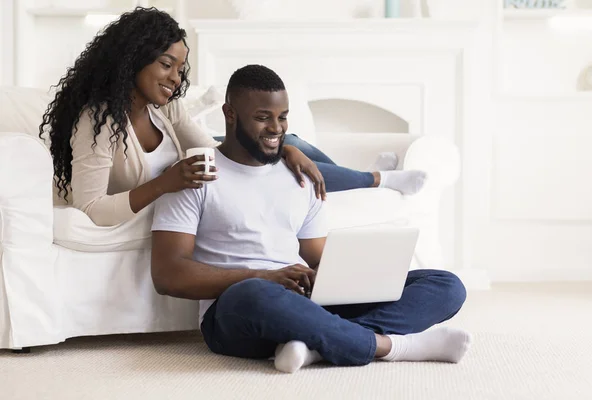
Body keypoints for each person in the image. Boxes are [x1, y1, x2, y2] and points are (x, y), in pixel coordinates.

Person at [150, 64, 471, 374]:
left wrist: (344, 274)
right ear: (229, 114)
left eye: (282, 117)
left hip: (302, 300)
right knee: (253, 292)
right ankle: (392, 347)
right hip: (236, 309)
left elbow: (317, 255)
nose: (276, 128)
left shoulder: (299, 175)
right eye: (263, 118)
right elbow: (168, 275)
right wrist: (264, 276)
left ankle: (315, 346)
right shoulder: (194, 176)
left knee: (445, 285)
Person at [39, 7, 425, 227]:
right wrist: (164, 184)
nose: (176, 78)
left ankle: (372, 178)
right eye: (166, 65)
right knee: (277, 145)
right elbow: (87, 210)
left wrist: (276, 152)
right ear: (132, 60)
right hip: (182, 197)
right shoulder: (98, 123)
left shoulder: (165, 107)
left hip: (201, 180)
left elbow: (209, 149)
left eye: (180, 68)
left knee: (281, 144)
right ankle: (377, 179)